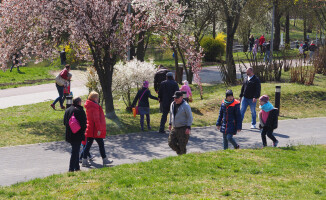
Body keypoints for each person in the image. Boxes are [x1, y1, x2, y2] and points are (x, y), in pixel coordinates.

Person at [82, 91, 113, 167]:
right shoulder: (94, 106)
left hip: (90, 128)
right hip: (95, 130)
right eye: (97, 97)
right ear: (94, 98)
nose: (98, 99)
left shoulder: (89, 105)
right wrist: (99, 129)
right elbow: (96, 119)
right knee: (100, 144)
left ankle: (84, 160)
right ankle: (104, 159)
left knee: (88, 145)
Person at [63, 97, 87, 172]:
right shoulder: (80, 110)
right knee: (75, 151)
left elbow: (64, 122)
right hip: (77, 134)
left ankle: (77, 167)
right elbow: (84, 124)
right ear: (79, 102)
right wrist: (83, 131)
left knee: (76, 150)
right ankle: (71, 169)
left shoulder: (67, 110)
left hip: (69, 134)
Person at [168, 91, 193, 155]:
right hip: (175, 128)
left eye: (177, 98)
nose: (175, 99)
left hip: (183, 128)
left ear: (181, 97)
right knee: (171, 143)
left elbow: (190, 117)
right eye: (174, 98)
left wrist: (188, 127)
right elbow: (171, 114)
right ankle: (180, 153)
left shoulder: (186, 106)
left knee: (182, 146)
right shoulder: (172, 104)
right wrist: (170, 123)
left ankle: (182, 158)